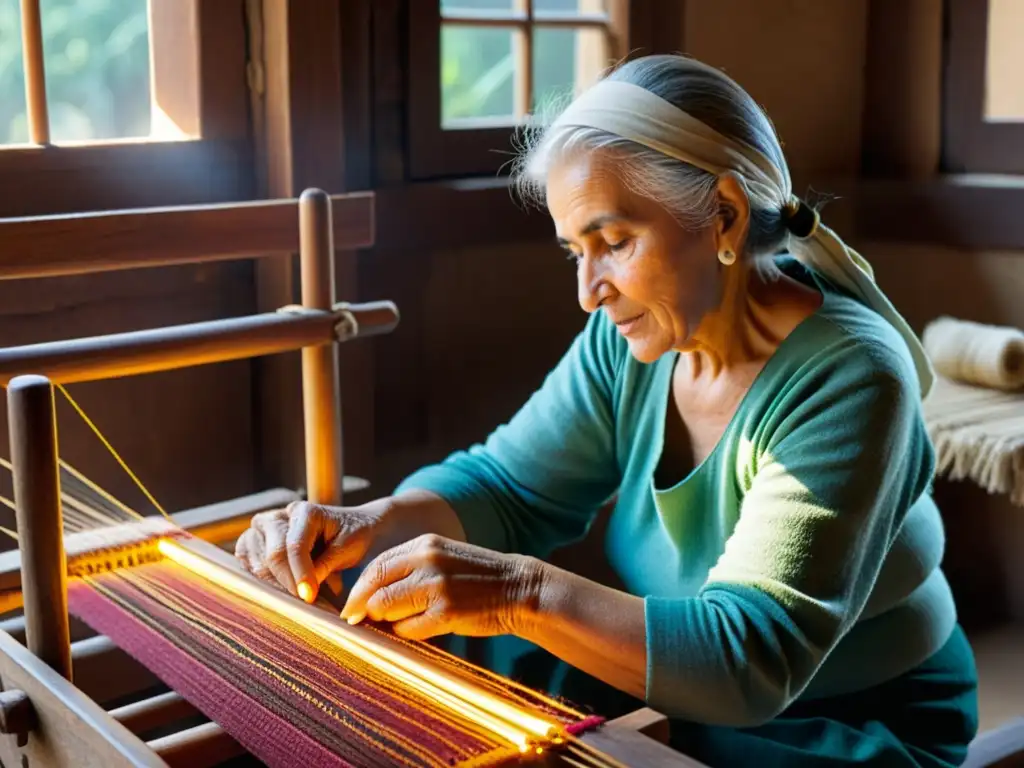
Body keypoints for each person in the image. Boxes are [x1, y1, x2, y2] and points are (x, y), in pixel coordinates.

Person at [235, 54, 978, 767]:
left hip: (847, 720)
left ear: (722, 216)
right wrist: (366, 527)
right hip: (698, 686)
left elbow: (749, 657)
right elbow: (508, 487)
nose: (589, 290)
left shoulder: (852, 377)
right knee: (426, 647)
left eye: (614, 243)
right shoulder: (628, 342)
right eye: (574, 253)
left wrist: (521, 592)